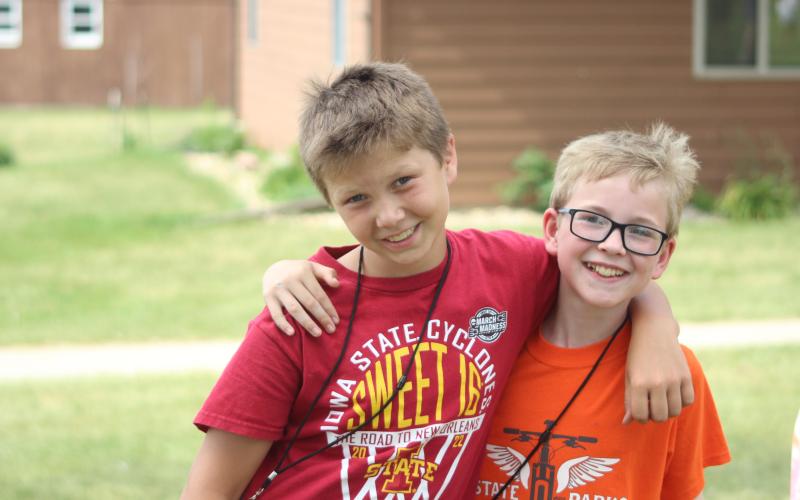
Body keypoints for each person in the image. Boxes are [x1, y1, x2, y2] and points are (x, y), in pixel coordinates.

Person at [181, 63, 691, 500]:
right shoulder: (304, 311)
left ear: (448, 156)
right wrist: (278, 272)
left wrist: (655, 327)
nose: (388, 216)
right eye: (356, 199)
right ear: (329, 201)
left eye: (404, 181)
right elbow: (210, 490)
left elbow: (604, 262)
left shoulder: (509, 269)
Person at [473, 124, 730, 499]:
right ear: (552, 228)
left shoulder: (673, 374)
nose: (612, 245)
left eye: (640, 231)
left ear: (663, 257)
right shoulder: (486, 354)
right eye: (592, 219)